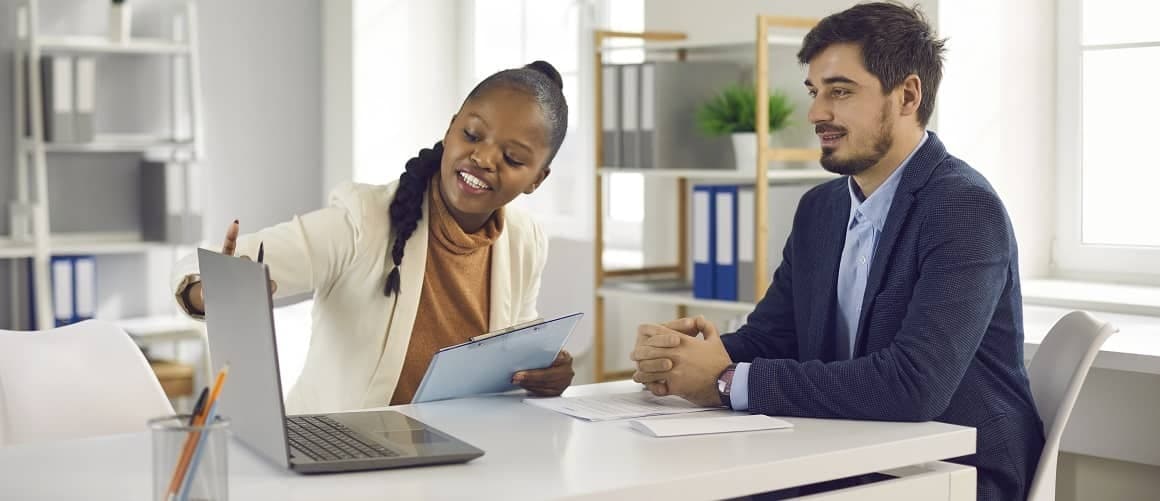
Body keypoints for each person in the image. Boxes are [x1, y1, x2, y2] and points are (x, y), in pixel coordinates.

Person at [630, 4, 1044, 499]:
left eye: (840, 92)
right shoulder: (820, 208)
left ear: (907, 95)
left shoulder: (962, 208)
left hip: (957, 469)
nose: (816, 113)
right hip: (854, 449)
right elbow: (776, 336)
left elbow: (914, 385)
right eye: (815, 92)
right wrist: (689, 358)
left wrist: (724, 380)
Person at [172, 61, 574, 414]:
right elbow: (200, 267)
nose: (483, 158)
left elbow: (514, 350)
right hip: (339, 452)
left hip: (459, 456)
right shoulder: (363, 219)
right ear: (451, 126)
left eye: (513, 158)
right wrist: (209, 290)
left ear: (537, 178)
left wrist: (543, 373)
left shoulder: (526, 239)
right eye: (472, 135)